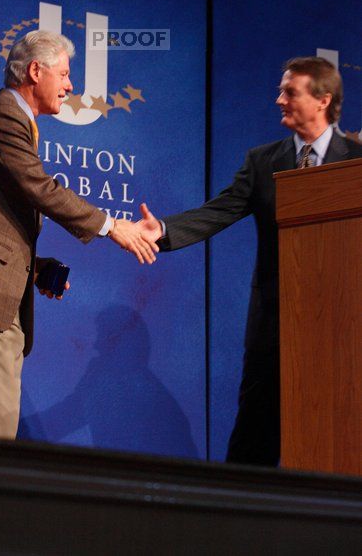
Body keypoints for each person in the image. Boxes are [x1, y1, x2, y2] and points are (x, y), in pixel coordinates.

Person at [0, 30, 158, 440]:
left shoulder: (20, 125)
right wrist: (112, 226)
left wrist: (37, 267)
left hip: (2, 288)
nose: (70, 85)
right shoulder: (0, 115)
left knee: (1, 411)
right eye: (63, 74)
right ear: (34, 71)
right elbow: (38, 187)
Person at [136, 57, 362, 466]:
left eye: (290, 92)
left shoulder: (356, 159)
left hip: (344, 324)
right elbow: (219, 211)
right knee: (255, 433)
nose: (279, 100)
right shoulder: (263, 162)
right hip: (275, 322)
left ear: (323, 100)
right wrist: (164, 230)